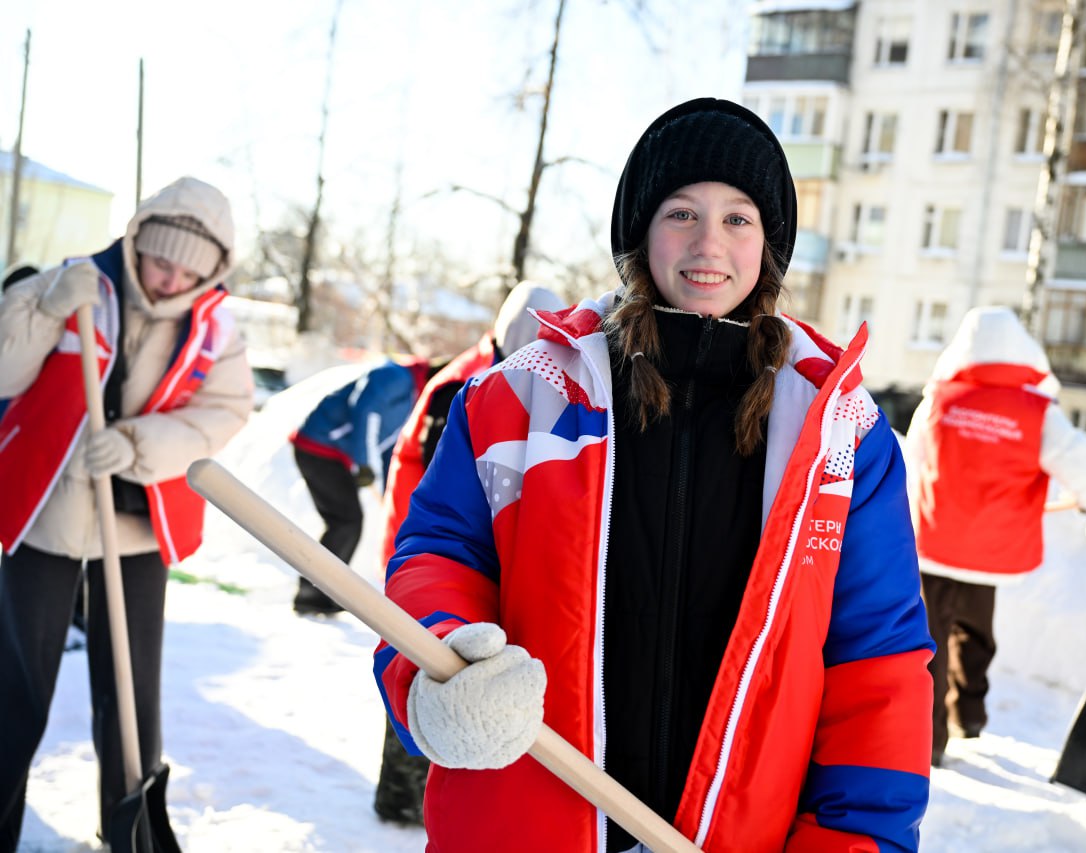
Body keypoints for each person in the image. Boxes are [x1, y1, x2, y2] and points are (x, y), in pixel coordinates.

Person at [374, 97, 935, 852]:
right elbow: (439, 558)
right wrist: (439, 664)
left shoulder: (840, 434)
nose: (710, 241)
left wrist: (858, 841)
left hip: (740, 836)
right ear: (641, 234)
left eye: (739, 217)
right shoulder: (522, 395)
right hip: (525, 822)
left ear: (768, 245)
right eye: (681, 212)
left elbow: (878, 664)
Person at [0, 176, 252, 850]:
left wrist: (141, 444)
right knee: (15, 689)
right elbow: (4, 372)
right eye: (161, 261)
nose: (171, 281)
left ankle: (131, 829)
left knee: (131, 695)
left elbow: (224, 412)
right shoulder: (76, 283)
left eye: (190, 271)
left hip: (140, 519)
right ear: (138, 239)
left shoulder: (216, 326)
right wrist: (45, 306)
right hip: (46, 511)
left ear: (213, 270)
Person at [902, 305, 1086, 767]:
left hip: (933, 547)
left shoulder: (940, 401)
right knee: (977, 633)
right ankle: (968, 716)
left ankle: (929, 742)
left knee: (929, 642)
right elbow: (1079, 461)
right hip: (990, 549)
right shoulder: (1036, 412)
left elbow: (913, 464)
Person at [372, 280, 564, 826]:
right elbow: (447, 511)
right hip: (424, 566)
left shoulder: (547, 386)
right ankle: (400, 797)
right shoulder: (461, 390)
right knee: (425, 677)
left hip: (482, 569)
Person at [288, 355, 437, 614]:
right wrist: (364, 464)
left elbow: (388, 445)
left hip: (335, 454)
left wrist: (388, 489)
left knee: (345, 522)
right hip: (320, 445)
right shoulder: (395, 376)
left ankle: (320, 591)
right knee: (346, 522)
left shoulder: (413, 396)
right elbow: (367, 413)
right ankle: (314, 593)